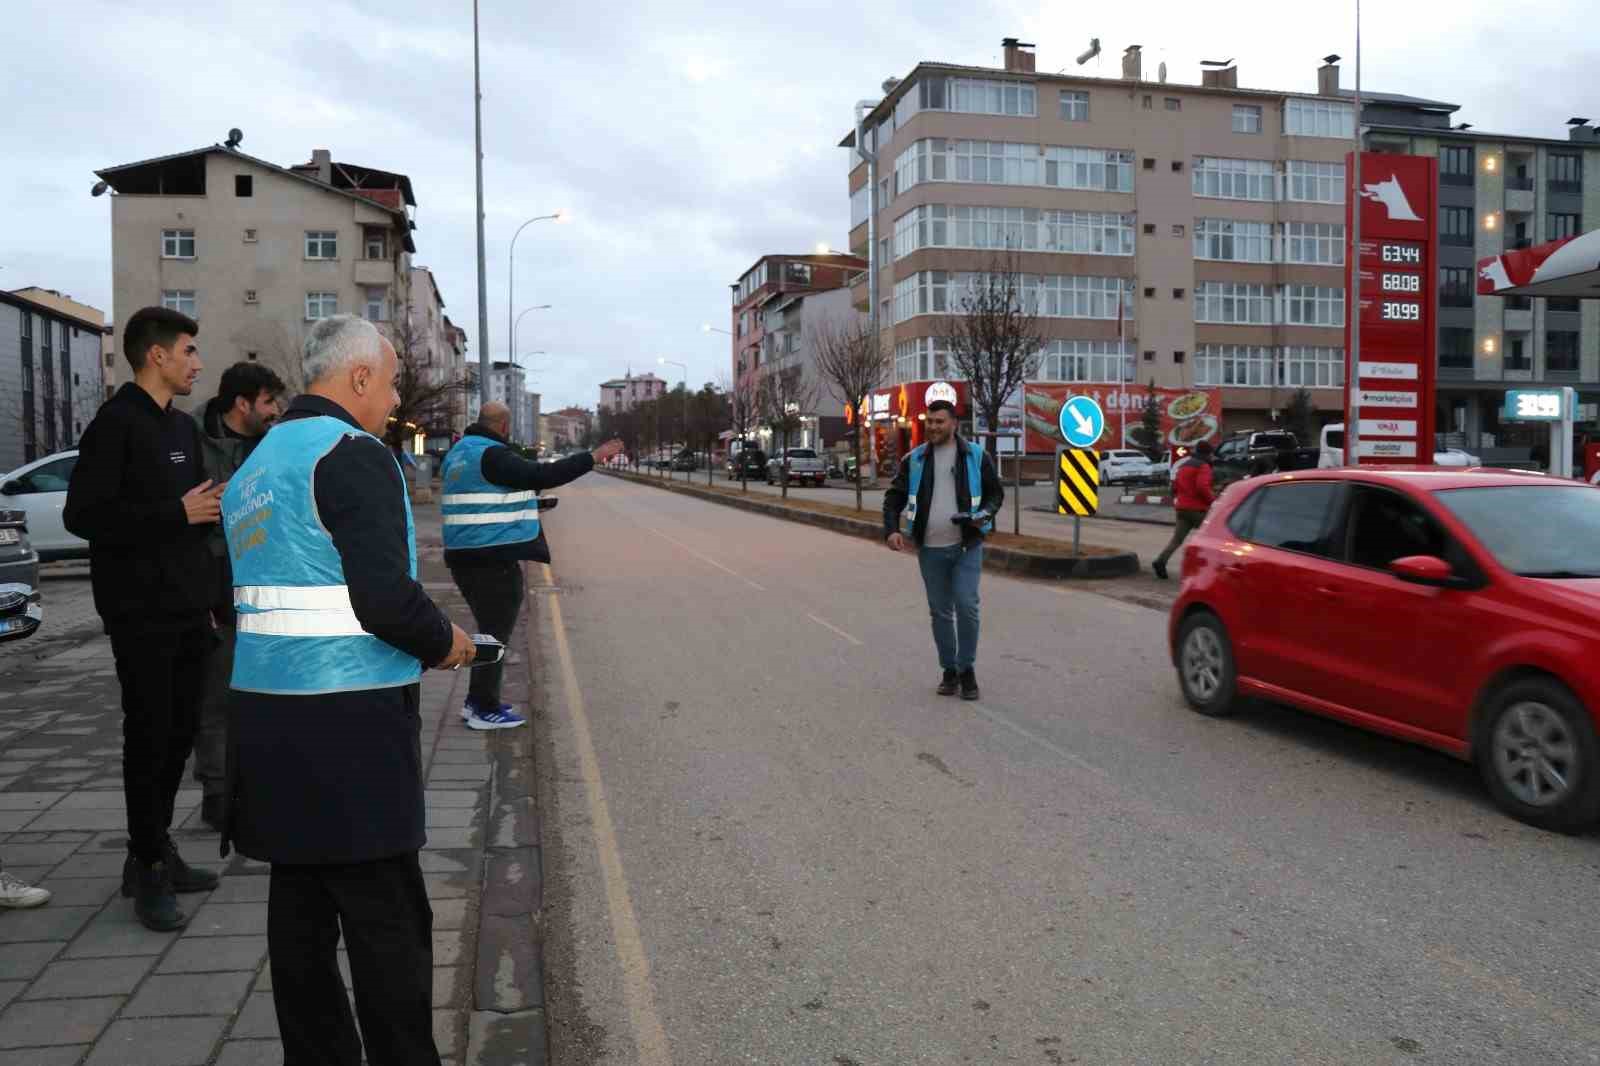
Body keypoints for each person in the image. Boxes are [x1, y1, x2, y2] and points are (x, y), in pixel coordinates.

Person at [221, 315, 474, 1066]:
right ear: (359, 377)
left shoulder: (257, 463)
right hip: (350, 731)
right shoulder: (353, 453)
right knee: (386, 927)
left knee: (299, 925)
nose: (394, 397)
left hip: (266, 726)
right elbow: (385, 600)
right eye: (392, 381)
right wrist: (447, 643)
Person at [63, 306, 223, 932]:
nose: (196, 362)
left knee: (180, 735)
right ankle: (149, 865)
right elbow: (84, 516)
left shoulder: (181, 428)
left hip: (187, 608)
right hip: (140, 612)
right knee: (149, 738)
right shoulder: (116, 424)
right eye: (188, 350)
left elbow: (195, 515)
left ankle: (151, 851)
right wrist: (173, 514)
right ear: (156, 355)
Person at [441, 402, 624, 728]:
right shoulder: (492, 454)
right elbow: (542, 474)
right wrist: (593, 457)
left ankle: (476, 702)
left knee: (488, 631)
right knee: (495, 634)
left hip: (465, 556)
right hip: (491, 559)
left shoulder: (459, 453)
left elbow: (490, 496)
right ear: (504, 426)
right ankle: (484, 708)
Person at [188, 362, 286, 832]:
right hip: (211, 589)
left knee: (265, 693)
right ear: (242, 403)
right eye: (268, 402)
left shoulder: (273, 446)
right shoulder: (187, 439)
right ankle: (217, 793)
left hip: (267, 585)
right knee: (216, 697)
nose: (276, 411)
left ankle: (260, 786)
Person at [882, 382, 1004, 701]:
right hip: (929, 548)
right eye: (930, 421)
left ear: (953, 424)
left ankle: (967, 670)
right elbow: (893, 497)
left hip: (966, 545)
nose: (933, 426)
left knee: (967, 606)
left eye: (939, 421)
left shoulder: (975, 456)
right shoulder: (915, 459)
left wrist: (984, 514)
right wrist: (891, 529)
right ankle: (949, 670)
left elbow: (995, 493)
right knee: (940, 612)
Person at [1152, 440, 1215, 580]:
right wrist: (1213, 501)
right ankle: (1202, 571)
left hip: (1182, 508)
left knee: (1177, 539)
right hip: (1198, 510)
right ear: (1208, 454)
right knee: (1213, 537)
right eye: (1211, 454)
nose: (1212, 457)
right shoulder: (1203, 466)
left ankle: (1161, 561)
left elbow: (1174, 488)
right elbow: (1202, 487)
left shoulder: (1184, 466)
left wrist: (1181, 498)